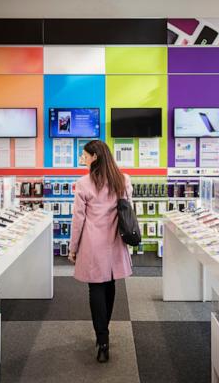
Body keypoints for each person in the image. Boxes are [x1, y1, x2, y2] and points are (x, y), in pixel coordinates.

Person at [68, 140, 133, 363]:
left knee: (95, 288)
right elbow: (128, 211)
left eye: (85, 155)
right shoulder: (123, 180)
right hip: (115, 241)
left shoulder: (83, 183)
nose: (82, 158)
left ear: (94, 156)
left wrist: (73, 247)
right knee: (111, 284)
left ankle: (102, 338)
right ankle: (105, 330)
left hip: (92, 244)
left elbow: (78, 219)